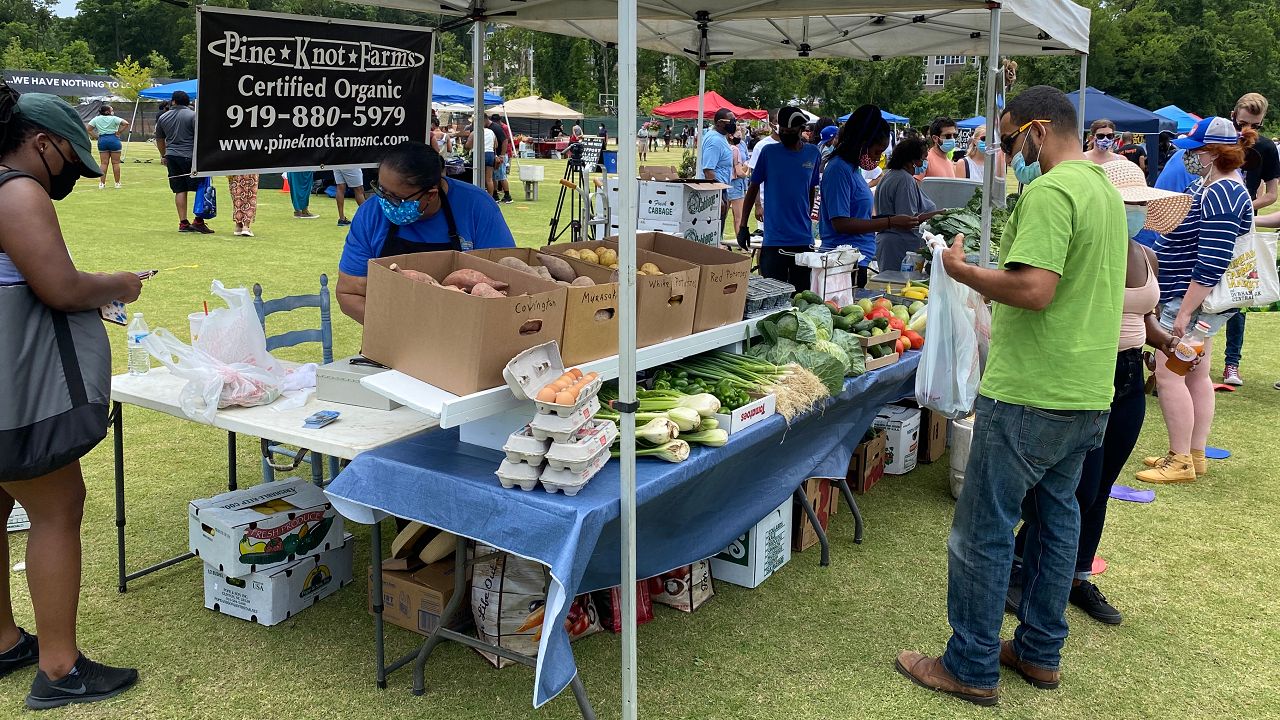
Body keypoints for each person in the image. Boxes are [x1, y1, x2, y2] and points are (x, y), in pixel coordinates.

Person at [896, 85, 1126, 706]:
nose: (1005, 154)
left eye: (1007, 141)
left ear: (1035, 131)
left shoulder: (1053, 191)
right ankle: (1039, 651)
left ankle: (969, 663)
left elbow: (1035, 288)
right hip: (1085, 392)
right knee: (1056, 525)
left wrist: (963, 271)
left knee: (984, 531)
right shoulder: (1104, 186)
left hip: (1031, 392)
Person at [0, 87, 141, 709]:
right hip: (16, 392)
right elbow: (59, 286)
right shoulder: (17, 190)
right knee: (58, 506)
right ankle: (60, 669)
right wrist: (120, 283)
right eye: (71, 163)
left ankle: (5, 641)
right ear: (42, 143)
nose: (71, 178)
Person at [1005, 158, 1192, 626]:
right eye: (1123, 204)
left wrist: (1167, 340)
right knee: (1076, 489)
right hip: (1088, 371)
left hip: (1128, 375)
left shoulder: (1145, 256)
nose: (1131, 212)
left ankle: (1074, 576)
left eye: (1137, 205)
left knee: (1102, 485)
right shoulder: (1087, 252)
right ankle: (1021, 562)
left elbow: (1143, 318)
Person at [1141, 117, 1254, 483]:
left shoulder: (1223, 192)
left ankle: (1181, 459)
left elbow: (1212, 260)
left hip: (1190, 302)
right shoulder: (1220, 187)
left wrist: (1184, 311)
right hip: (1192, 302)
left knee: (1169, 374)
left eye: (1194, 151)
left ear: (1211, 153)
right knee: (1196, 375)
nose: (1188, 158)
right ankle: (1193, 452)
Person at [336, 142, 515, 324]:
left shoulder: (477, 207)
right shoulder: (370, 213)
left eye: (397, 198)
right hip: (392, 336)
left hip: (466, 330)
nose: (385, 202)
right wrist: (403, 329)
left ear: (431, 194)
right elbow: (349, 293)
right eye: (381, 190)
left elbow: (506, 282)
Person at [1221, 92, 1278, 387]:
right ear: (1233, 114)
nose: (1246, 131)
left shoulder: (1267, 148)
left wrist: (1243, 207)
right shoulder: (1219, 137)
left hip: (1242, 228)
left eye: (1254, 125)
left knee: (1237, 295)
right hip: (1209, 222)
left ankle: (1232, 363)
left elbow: (1271, 195)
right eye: (1242, 122)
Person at [819, 105, 910, 286]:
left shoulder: (853, 169)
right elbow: (841, 223)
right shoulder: (838, 169)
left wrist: (892, 219)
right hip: (843, 264)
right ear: (862, 143)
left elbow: (859, 216)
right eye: (877, 152)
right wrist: (890, 222)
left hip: (856, 261)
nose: (878, 158)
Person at [736, 106, 820, 288]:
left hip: (803, 239)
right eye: (781, 131)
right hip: (774, 240)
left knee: (801, 296)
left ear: (801, 130)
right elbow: (753, 188)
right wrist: (743, 225)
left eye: (789, 132)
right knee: (773, 294)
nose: (784, 134)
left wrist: (808, 212)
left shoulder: (813, 154)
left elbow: (811, 188)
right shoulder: (769, 153)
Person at [874, 136, 937, 272]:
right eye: (923, 159)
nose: (925, 162)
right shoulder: (905, 180)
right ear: (912, 161)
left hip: (891, 244)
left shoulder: (890, 175)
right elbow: (908, 220)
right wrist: (940, 214)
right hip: (900, 247)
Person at [154, 90, 211, 233]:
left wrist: (163, 155)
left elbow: (160, 139)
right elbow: (202, 136)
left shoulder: (163, 118)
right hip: (191, 157)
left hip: (172, 156)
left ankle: (183, 222)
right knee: (201, 187)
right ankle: (198, 220)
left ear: (173, 101)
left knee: (179, 189)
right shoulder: (193, 115)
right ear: (188, 101)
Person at [700, 108, 737, 238]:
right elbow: (708, 170)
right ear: (720, 122)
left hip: (721, 188)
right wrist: (718, 197)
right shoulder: (714, 141)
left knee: (718, 231)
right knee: (713, 231)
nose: (734, 123)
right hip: (715, 190)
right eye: (731, 121)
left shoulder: (720, 137)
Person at [84, 105, 127, 189]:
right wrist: (119, 132)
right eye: (112, 110)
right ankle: (117, 183)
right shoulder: (114, 118)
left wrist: (96, 137)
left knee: (104, 163)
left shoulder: (96, 119)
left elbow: (88, 129)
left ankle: (102, 184)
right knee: (116, 163)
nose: (113, 111)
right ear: (107, 112)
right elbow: (126, 123)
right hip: (114, 140)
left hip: (102, 140)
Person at [464, 119, 497, 199]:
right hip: (490, 154)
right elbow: (496, 145)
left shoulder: (474, 133)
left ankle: (476, 196)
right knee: (489, 179)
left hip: (478, 154)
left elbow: (468, 146)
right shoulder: (491, 132)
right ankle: (490, 198)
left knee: (476, 176)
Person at [726, 132, 748, 240]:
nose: (739, 135)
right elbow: (739, 172)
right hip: (735, 183)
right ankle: (741, 243)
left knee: (721, 216)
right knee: (739, 218)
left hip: (725, 182)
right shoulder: (735, 149)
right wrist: (746, 174)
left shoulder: (724, 146)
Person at [491, 114, 513, 204]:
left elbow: (506, 140)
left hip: (503, 153)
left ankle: (507, 195)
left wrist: (502, 155)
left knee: (501, 175)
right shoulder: (498, 127)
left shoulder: (503, 128)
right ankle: (495, 194)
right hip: (499, 153)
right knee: (495, 176)